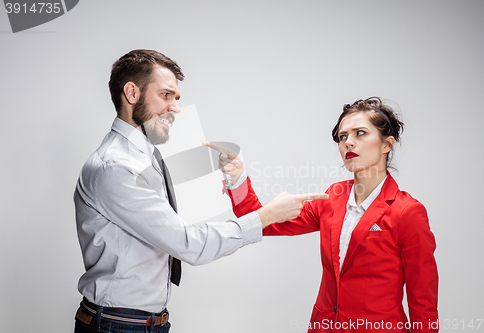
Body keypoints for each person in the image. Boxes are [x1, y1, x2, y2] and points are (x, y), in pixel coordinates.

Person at [73, 49, 329, 333]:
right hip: (119, 325)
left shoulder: (144, 157)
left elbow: (183, 220)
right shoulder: (117, 167)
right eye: (166, 95)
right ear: (132, 93)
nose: (176, 108)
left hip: (142, 321)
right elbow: (188, 243)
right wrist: (266, 216)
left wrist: (236, 178)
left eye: (177, 98)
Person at [207, 97, 439, 332]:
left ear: (386, 144)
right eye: (342, 137)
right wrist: (237, 178)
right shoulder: (333, 196)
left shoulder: (407, 212)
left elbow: (423, 301)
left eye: (360, 133)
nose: (349, 142)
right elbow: (264, 221)